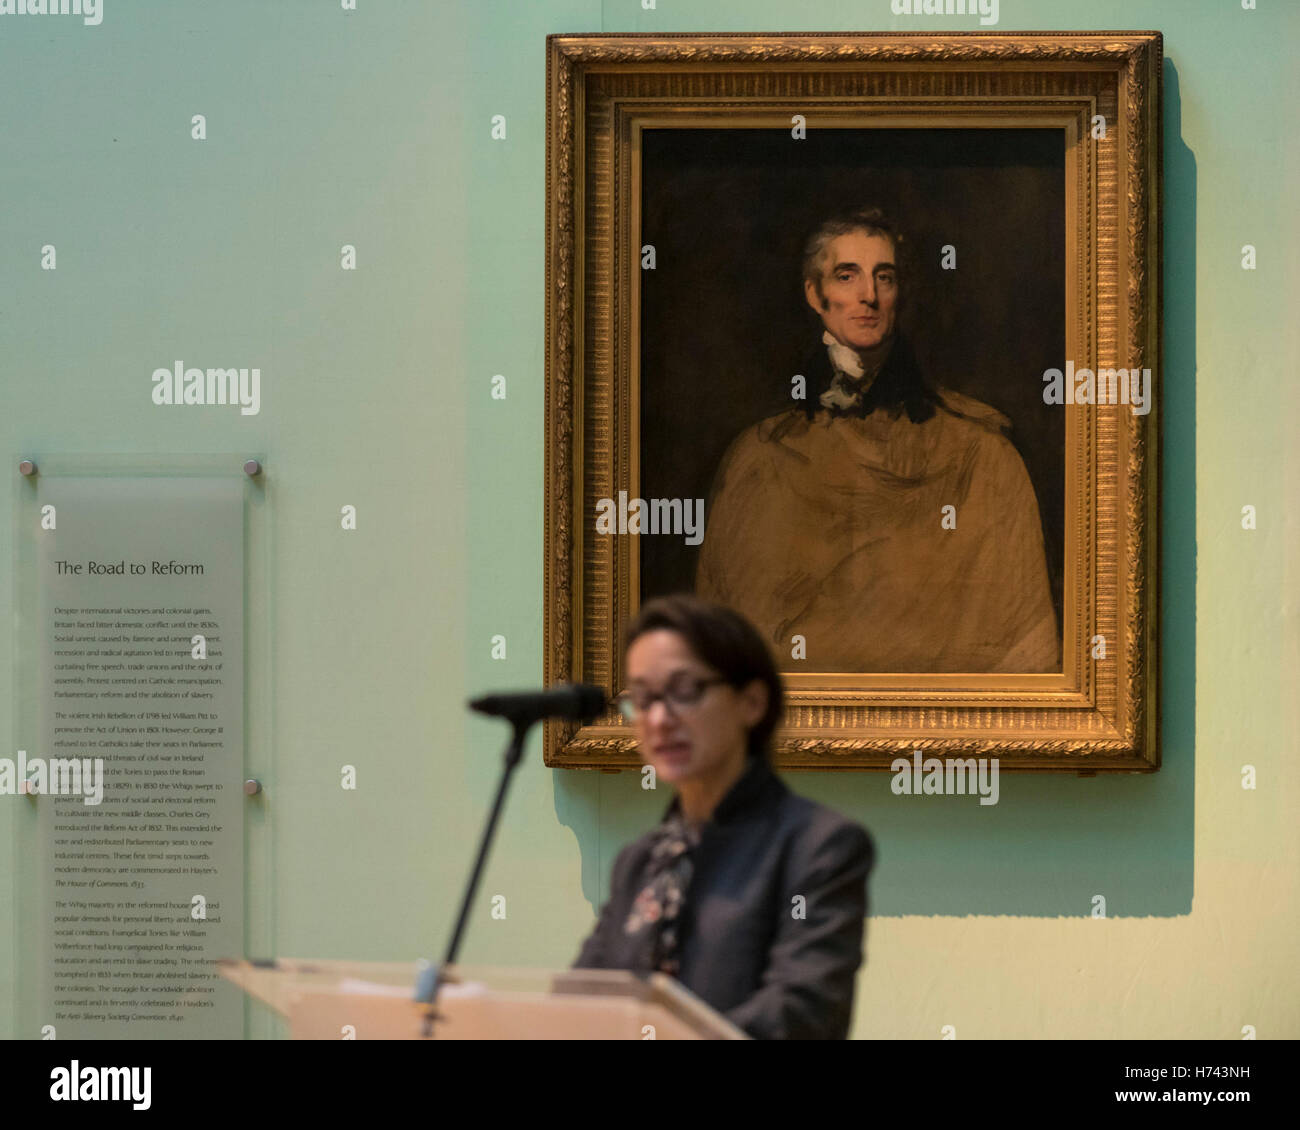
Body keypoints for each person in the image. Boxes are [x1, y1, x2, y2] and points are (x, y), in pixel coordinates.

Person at [695, 207, 1059, 673]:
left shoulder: (979, 453)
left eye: (883, 277)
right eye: (847, 276)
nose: (868, 295)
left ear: (898, 293)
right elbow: (718, 648)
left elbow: (1024, 647)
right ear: (815, 293)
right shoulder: (759, 456)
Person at [572, 594, 875, 1039]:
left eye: (684, 691)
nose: (658, 718)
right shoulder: (639, 862)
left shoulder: (818, 846)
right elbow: (582, 1006)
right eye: (643, 697)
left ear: (751, 702)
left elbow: (803, 1013)